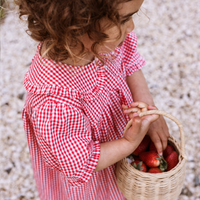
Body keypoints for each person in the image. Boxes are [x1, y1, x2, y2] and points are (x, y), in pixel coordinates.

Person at [16, 0, 170, 199]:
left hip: (123, 142)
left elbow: (129, 61)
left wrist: (149, 108)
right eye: (124, 19)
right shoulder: (54, 102)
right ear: (78, 24)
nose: (131, 26)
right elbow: (80, 161)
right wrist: (129, 143)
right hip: (97, 173)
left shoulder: (103, 42)